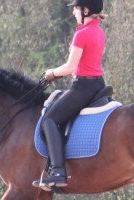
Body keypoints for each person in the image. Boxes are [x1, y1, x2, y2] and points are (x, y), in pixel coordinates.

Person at [32, 0, 107, 188]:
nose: (73, 12)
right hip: (98, 85)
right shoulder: (98, 31)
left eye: (76, 8)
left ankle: (57, 171)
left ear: (86, 10)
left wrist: (52, 73)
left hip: (83, 87)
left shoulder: (81, 34)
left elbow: (71, 67)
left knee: (49, 120)